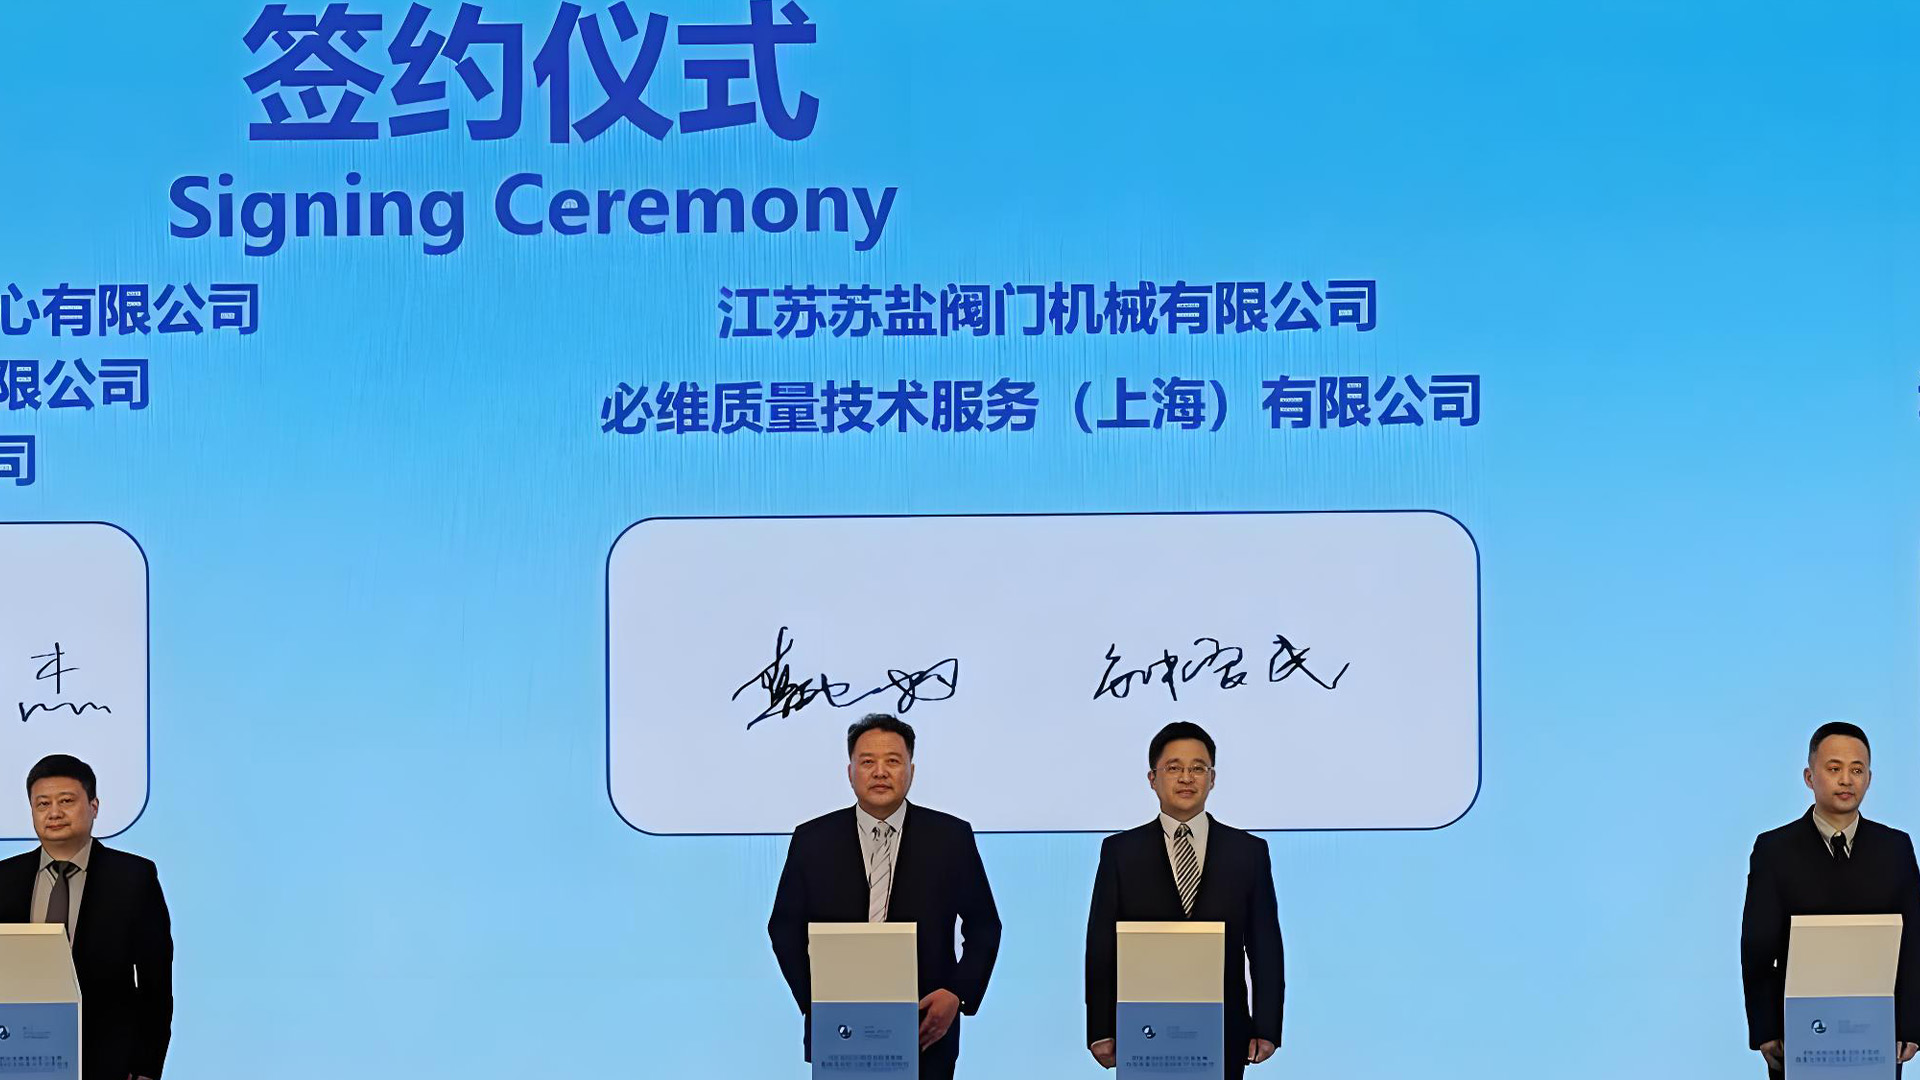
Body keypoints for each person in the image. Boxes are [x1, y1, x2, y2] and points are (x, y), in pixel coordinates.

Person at [768, 713, 1002, 1080]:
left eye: (892, 761)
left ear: (911, 770)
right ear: (850, 773)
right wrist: (817, 1001)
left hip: (926, 1028)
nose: (880, 772)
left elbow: (985, 925)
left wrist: (957, 994)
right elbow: (784, 929)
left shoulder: (950, 837)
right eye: (867, 762)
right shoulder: (812, 840)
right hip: (838, 1030)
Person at [1085, 721, 1283, 1079]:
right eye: (1174, 768)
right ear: (1152, 778)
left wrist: (1267, 1027)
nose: (1187, 778)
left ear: (1213, 778)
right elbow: (1102, 946)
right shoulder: (1120, 852)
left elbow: (1265, 946)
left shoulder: (1248, 852)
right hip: (1143, 1029)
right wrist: (1100, 1028)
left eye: (1198, 768)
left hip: (1224, 1029)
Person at [1742, 721, 1920, 1077]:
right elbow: (1758, 948)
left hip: (1878, 1028)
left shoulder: (1895, 848)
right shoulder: (1774, 850)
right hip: (1799, 1030)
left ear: (1869, 778)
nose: (1846, 780)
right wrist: (1766, 1029)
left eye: (1857, 770)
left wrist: (1912, 1025)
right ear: (1810, 777)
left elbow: (1915, 942)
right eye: (1834, 768)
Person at [0, 754, 173, 1080]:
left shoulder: (134, 878)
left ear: (94, 806)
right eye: (42, 804)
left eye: (66, 801)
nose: (54, 813)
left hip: (108, 1062)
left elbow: (156, 985)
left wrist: (146, 1069)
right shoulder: (4, 879)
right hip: (15, 1057)